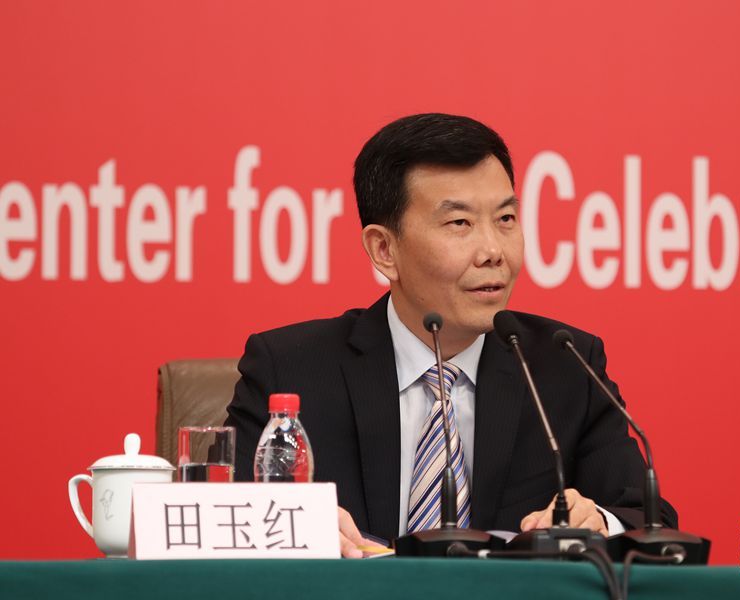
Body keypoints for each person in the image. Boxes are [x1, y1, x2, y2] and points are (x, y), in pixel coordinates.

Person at [225, 113, 677, 558]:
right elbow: (224, 522)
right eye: (460, 223)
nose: (493, 251)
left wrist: (599, 521)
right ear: (384, 249)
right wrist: (299, 528)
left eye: (505, 218)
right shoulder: (291, 370)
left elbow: (647, 519)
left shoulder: (565, 366)